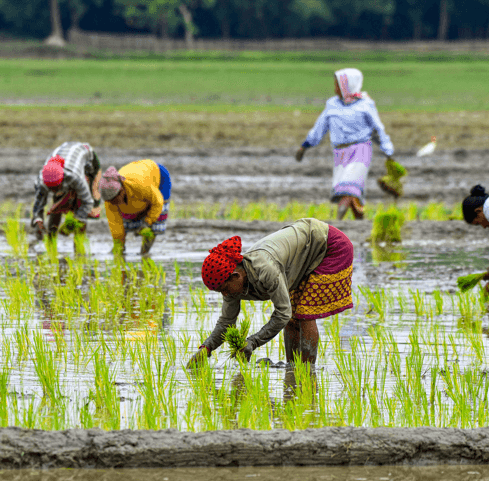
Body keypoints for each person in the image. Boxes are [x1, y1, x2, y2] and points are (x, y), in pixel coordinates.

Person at [192, 218, 354, 366]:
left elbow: (282, 313)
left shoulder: (266, 269)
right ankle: (292, 367)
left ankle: (307, 371)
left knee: (305, 313)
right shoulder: (231, 285)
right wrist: (206, 349)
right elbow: (226, 322)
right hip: (303, 254)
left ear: (236, 275)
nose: (225, 295)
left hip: (329, 247)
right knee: (292, 318)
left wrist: (253, 342)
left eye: (224, 289)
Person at [295, 68, 394, 220]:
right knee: (346, 188)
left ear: (349, 86)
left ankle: (338, 221)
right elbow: (319, 128)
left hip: (361, 150)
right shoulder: (332, 104)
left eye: (338, 84)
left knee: (349, 186)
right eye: (335, 84)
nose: (335, 88)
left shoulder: (366, 104)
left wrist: (388, 151)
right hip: (340, 153)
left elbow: (378, 129)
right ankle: (360, 219)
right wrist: (305, 145)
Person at [98, 159, 171, 256]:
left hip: (158, 176)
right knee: (128, 218)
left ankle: (144, 253)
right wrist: (119, 246)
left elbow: (157, 201)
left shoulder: (139, 185)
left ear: (121, 190)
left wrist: (147, 222)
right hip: (139, 184)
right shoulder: (110, 201)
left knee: (155, 224)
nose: (114, 203)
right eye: (111, 201)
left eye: (115, 199)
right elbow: (115, 224)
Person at [31, 142, 102, 239]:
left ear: (62, 180)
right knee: (58, 199)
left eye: (56, 188)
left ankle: (79, 246)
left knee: (88, 199)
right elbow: (38, 205)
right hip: (64, 151)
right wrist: (38, 221)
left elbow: (87, 202)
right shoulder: (41, 181)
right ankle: (51, 239)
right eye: (51, 189)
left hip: (87, 156)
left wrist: (73, 222)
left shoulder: (74, 177)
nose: (54, 191)